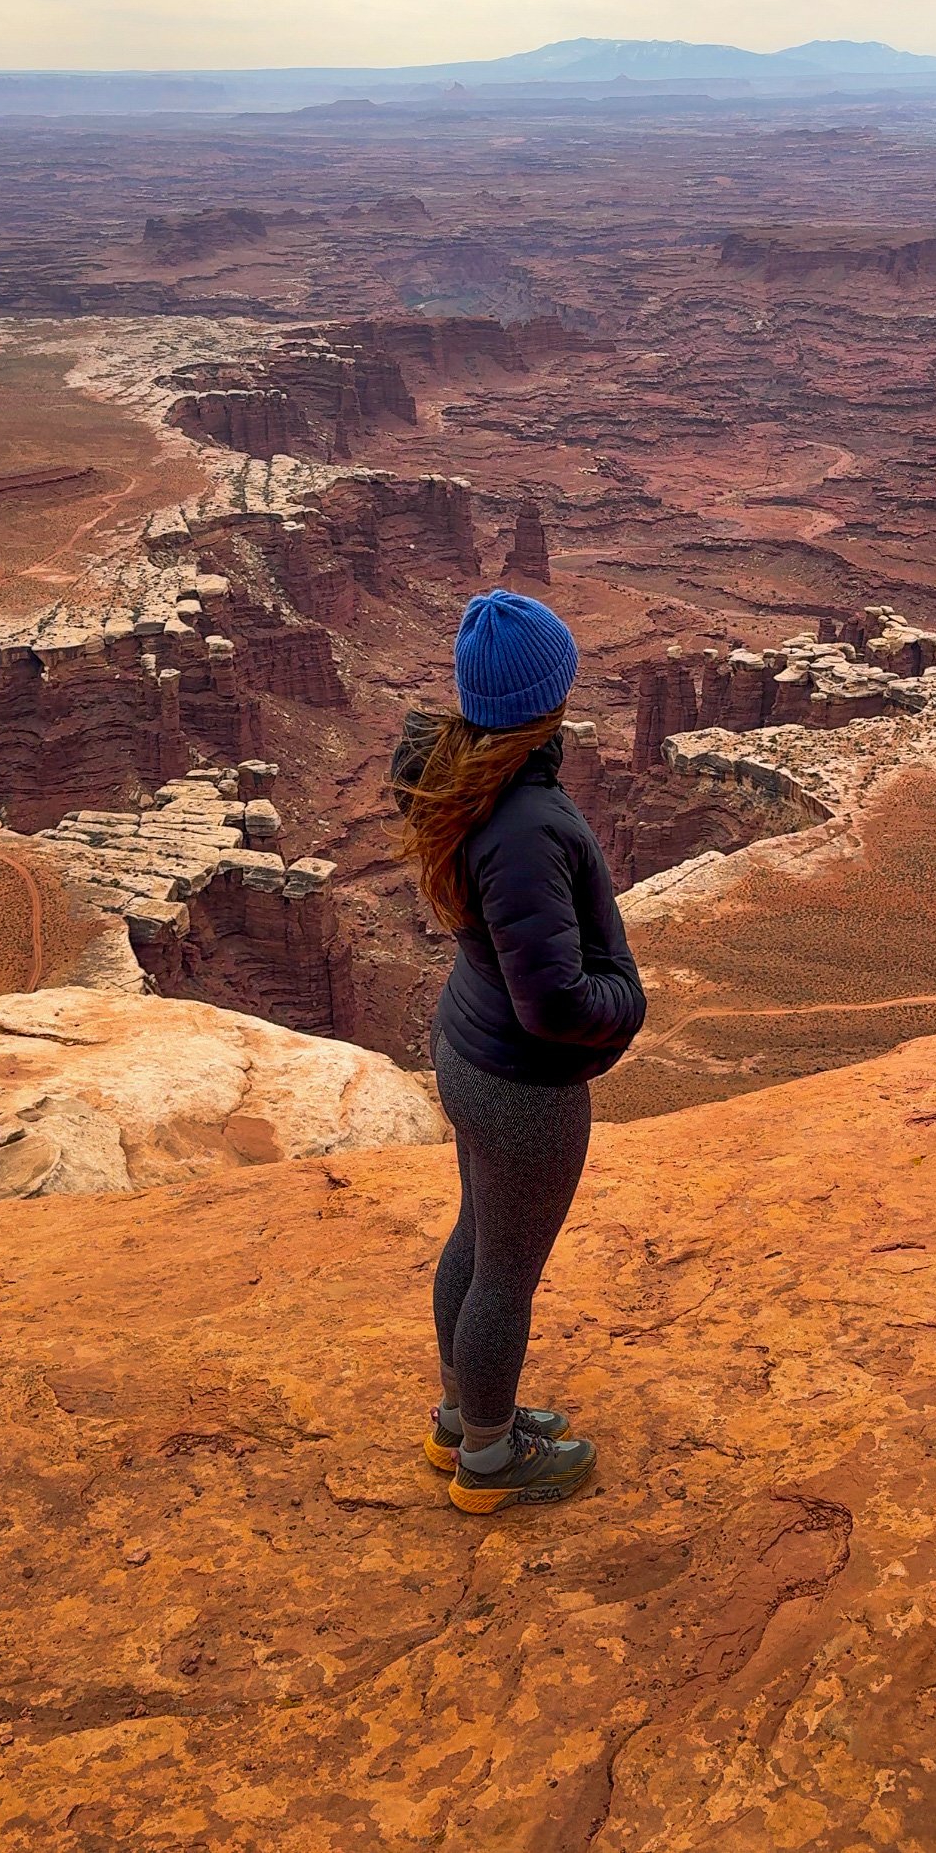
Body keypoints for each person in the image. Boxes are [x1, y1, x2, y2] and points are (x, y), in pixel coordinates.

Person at [392, 588, 647, 1513]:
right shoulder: (529, 822)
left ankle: (465, 1417)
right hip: (522, 1083)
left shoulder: (465, 777)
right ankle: (492, 1464)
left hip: (470, 1049)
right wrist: (628, 1003)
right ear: (551, 695)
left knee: (478, 1237)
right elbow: (556, 1002)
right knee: (506, 1269)